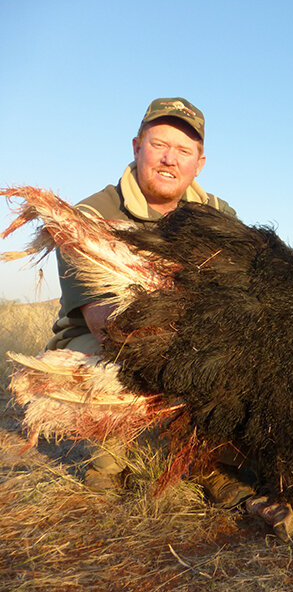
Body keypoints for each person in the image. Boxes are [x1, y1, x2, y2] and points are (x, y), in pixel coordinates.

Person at [47, 97, 251, 506]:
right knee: (107, 366)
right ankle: (108, 460)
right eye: (159, 145)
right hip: (110, 337)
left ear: (200, 163)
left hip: (191, 336)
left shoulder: (218, 216)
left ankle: (214, 465)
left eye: (183, 151)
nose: (169, 160)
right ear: (137, 147)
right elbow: (103, 320)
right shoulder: (91, 215)